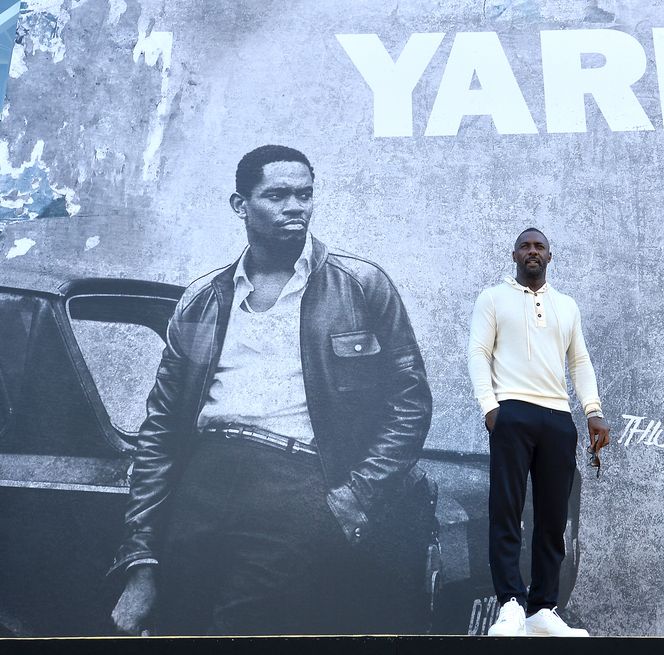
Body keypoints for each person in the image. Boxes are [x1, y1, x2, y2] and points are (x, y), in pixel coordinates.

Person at [109, 145, 434, 636]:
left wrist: (354, 495)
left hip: (296, 483)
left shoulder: (361, 285)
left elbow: (410, 404)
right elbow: (161, 428)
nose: (295, 206)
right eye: (278, 194)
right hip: (203, 479)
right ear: (241, 205)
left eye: (304, 194)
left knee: (250, 626)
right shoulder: (202, 301)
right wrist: (140, 553)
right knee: (179, 624)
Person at [467, 227, 610, 637]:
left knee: (553, 519)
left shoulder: (566, 306)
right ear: (514, 254)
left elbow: (579, 361)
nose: (533, 252)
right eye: (526, 246)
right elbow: (478, 352)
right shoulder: (493, 298)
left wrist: (593, 411)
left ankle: (542, 608)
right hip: (511, 410)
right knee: (508, 511)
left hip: (557, 419)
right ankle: (511, 604)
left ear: (550, 256)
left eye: (539, 247)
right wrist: (491, 408)